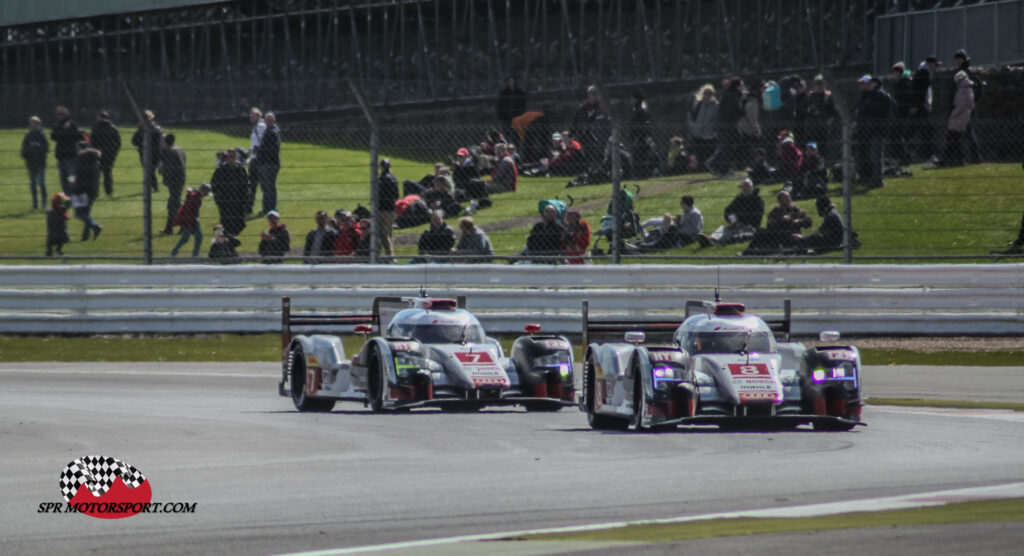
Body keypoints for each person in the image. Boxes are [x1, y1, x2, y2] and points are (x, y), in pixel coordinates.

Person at [853, 75, 893, 189]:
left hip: (877, 130)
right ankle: (870, 177)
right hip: (869, 130)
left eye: (870, 83)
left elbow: (877, 113)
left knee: (876, 156)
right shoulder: (869, 96)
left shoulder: (879, 95)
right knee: (870, 155)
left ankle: (877, 179)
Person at [743, 190, 812, 256]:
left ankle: (773, 249)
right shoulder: (775, 211)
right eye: (785, 198)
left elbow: (808, 221)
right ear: (780, 201)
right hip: (777, 235)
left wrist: (798, 221)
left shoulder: (795, 210)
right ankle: (748, 251)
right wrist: (781, 220)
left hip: (791, 235)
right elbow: (769, 225)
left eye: (789, 197)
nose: (788, 200)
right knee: (760, 231)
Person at [697, 178, 763, 247]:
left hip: (750, 227)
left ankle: (714, 242)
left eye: (746, 187)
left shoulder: (758, 201)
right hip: (736, 224)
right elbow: (728, 210)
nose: (744, 189)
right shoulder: (739, 198)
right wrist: (732, 221)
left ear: (752, 188)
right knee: (724, 228)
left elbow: (757, 218)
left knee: (733, 234)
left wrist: (742, 223)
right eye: (743, 187)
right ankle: (711, 238)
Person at [210, 149, 251, 237]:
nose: (229, 158)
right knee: (226, 224)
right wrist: (218, 198)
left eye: (231, 156)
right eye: (227, 156)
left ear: (236, 157)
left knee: (239, 223)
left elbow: (246, 185)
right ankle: (226, 240)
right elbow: (214, 184)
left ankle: (231, 238)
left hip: (238, 202)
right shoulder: (221, 170)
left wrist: (246, 198)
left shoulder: (240, 169)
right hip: (225, 202)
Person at [571, 85, 611, 170]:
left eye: (595, 94)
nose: (593, 96)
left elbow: (609, 117)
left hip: (602, 136)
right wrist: (572, 134)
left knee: (602, 154)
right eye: (591, 94)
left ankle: (601, 170)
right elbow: (576, 121)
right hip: (587, 137)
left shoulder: (603, 107)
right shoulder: (583, 108)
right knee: (589, 155)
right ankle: (590, 171)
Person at [951, 49, 981, 164]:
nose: (957, 61)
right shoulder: (964, 72)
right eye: (956, 59)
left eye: (959, 58)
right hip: (964, 106)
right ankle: (970, 157)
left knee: (967, 132)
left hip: (966, 107)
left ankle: (975, 157)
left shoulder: (966, 74)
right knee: (965, 132)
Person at [941, 70, 975, 167]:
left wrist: (953, 114)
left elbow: (961, 104)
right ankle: (952, 160)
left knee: (952, 139)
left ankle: (948, 160)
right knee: (955, 140)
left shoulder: (963, 90)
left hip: (958, 117)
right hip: (963, 117)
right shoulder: (968, 89)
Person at [71, 141, 103, 241]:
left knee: (79, 214)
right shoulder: (95, 161)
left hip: (81, 190)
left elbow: (79, 178)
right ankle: (85, 237)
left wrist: (74, 186)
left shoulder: (81, 161)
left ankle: (95, 226)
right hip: (93, 190)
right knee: (87, 214)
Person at [911, 56, 940, 161]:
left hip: (920, 106)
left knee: (922, 130)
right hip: (921, 107)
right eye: (935, 65)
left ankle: (922, 153)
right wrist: (918, 105)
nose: (936, 67)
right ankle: (927, 154)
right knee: (926, 131)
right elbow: (920, 91)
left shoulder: (921, 72)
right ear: (930, 64)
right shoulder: (924, 73)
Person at [170, 183, 211, 258]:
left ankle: (174, 251)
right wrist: (193, 221)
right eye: (206, 193)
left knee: (186, 237)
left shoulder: (196, 195)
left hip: (188, 218)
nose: (206, 195)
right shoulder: (196, 197)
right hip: (189, 219)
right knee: (198, 236)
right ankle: (195, 254)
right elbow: (191, 210)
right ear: (203, 191)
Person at [805, 75, 839, 161]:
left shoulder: (829, 96)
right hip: (812, 130)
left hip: (825, 129)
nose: (820, 86)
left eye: (822, 84)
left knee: (825, 150)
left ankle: (825, 168)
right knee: (812, 150)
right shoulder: (811, 96)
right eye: (818, 84)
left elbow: (834, 112)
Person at [158, 134, 187, 235]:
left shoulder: (168, 152)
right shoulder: (179, 150)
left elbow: (168, 167)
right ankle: (169, 228)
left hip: (174, 181)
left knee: (174, 205)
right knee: (173, 204)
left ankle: (182, 227)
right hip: (180, 180)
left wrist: (161, 171)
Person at [90, 111, 121, 197]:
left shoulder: (96, 128)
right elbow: (118, 142)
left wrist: (94, 150)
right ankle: (109, 192)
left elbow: (92, 141)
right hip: (109, 153)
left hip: (98, 153)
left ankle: (95, 192)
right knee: (107, 173)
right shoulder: (112, 128)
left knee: (96, 174)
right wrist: (114, 152)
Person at [51, 106, 82, 194]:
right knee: (63, 179)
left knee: (72, 176)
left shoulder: (72, 124)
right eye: (58, 114)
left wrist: (64, 132)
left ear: (66, 114)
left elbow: (77, 137)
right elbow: (53, 136)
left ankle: (74, 192)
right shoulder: (56, 125)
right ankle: (67, 195)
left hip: (71, 156)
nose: (59, 116)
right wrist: (64, 131)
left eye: (61, 114)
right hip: (61, 156)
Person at [255, 112, 281, 215]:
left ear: (274, 120)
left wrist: (260, 149)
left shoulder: (273, 131)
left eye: (270, 119)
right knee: (266, 186)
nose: (268, 121)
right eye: (266, 120)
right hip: (266, 162)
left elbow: (270, 148)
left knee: (268, 186)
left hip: (269, 163)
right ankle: (268, 208)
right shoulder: (269, 130)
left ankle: (269, 209)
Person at [130, 110, 163, 192]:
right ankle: (152, 186)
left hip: (148, 153)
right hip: (154, 153)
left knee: (149, 171)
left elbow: (134, 141)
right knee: (150, 171)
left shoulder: (142, 129)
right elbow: (134, 141)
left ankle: (152, 186)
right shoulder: (156, 128)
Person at [889, 62, 915, 165]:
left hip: (902, 113)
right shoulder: (902, 83)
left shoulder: (904, 83)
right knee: (898, 135)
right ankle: (903, 155)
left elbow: (906, 98)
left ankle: (904, 156)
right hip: (900, 112)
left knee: (898, 135)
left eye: (895, 73)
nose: (893, 75)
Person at [688, 84, 718, 169]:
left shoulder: (715, 105)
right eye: (706, 93)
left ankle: (710, 167)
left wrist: (713, 128)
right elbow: (692, 116)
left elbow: (716, 119)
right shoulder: (699, 104)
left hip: (710, 134)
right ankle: (701, 168)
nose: (707, 96)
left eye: (709, 93)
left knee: (710, 151)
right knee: (699, 152)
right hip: (698, 133)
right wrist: (693, 127)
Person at [21, 116, 49, 209]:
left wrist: (38, 147)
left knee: (41, 183)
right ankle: (35, 204)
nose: (34, 125)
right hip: (30, 163)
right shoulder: (27, 137)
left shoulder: (42, 136)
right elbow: (23, 152)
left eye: (36, 123)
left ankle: (44, 203)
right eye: (32, 123)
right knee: (33, 184)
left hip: (40, 162)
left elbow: (46, 149)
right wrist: (30, 149)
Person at [629, 90, 657, 178]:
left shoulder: (640, 110)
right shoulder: (641, 109)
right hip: (642, 139)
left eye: (632, 98)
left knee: (640, 160)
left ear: (636, 99)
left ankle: (642, 176)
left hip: (640, 139)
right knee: (641, 159)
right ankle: (642, 175)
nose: (630, 100)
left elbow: (640, 126)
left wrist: (637, 137)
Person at [376, 158, 399, 259]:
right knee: (388, 233)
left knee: (383, 234)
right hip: (391, 209)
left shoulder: (384, 179)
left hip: (383, 209)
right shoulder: (393, 178)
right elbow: (396, 195)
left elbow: (379, 194)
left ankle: (390, 256)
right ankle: (388, 255)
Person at [246, 107, 267, 214]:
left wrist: (256, 150)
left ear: (259, 116)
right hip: (254, 158)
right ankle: (248, 207)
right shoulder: (256, 127)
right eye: (250, 116)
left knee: (259, 184)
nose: (251, 118)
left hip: (259, 159)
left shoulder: (261, 126)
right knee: (251, 184)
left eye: (253, 116)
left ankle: (264, 208)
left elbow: (264, 141)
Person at [45, 192, 71, 256]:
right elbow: (65, 216)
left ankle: (49, 251)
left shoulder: (52, 211)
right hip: (60, 228)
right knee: (61, 238)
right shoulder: (61, 208)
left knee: (51, 239)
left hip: (52, 227)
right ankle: (58, 250)